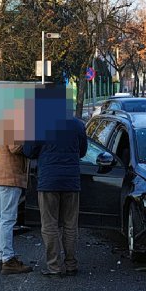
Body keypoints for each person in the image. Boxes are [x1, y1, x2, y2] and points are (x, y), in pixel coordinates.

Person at [23, 107, 88, 277]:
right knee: (70, 225)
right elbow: (83, 152)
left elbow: (28, 151)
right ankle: (71, 264)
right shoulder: (78, 125)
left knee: (49, 225)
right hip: (71, 181)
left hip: (48, 182)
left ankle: (54, 266)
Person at [0, 104, 33, 275]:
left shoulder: (3, 122)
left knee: (1, 217)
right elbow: (15, 147)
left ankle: (3, 256)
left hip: (1, 175)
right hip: (10, 176)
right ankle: (8, 259)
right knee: (7, 218)